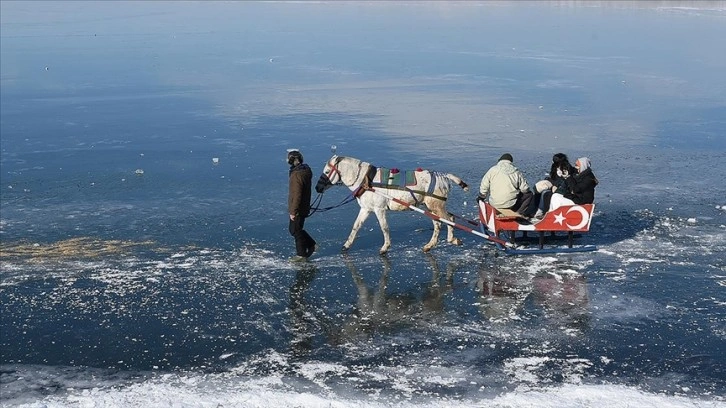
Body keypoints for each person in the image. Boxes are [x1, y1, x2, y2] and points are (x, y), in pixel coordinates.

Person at [478, 153, 534, 217]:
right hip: (510, 204)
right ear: (510, 161)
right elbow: (525, 189)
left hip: (494, 203)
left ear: (500, 161)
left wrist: (481, 197)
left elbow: (484, 186)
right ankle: (519, 213)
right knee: (529, 194)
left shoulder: (492, 170)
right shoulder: (516, 172)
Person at [287, 149, 317, 261]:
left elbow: (297, 194)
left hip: (298, 207)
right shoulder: (305, 171)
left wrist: (293, 211)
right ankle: (311, 244)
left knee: (295, 230)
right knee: (296, 228)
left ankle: (302, 254)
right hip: (304, 205)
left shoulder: (296, 175)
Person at [533, 153, 577, 219]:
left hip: (564, 191)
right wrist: (550, 182)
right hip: (556, 187)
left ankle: (548, 214)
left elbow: (566, 183)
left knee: (550, 195)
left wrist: (556, 188)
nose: (552, 162)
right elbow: (554, 178)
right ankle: (539, 211)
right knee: (543, 192)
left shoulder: (566, 170)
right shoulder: (554, 168)